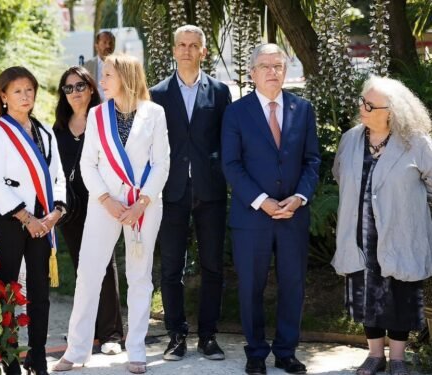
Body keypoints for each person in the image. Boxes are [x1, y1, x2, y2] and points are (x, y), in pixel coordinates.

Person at [52, 54, 170, 374]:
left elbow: (162, 162)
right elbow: (88, 163)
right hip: (104, 205)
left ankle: (136, 350)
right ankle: (76, 350)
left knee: (139, 277)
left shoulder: (155, 113)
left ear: (127, 77)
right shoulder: (98, 115)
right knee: (89, 274)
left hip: (143, 207)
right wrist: (106, 199)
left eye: (107, 75)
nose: (100, 82)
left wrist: (141, 203)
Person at [221, 43, 320, 375]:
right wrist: (262, 201)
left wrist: (300, 197)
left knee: (293, 284)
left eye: (278, 66)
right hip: (252, 217)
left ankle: (286, 351)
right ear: (252, 73)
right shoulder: (236, 112)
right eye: (265, 66)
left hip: (293, 215)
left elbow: (312, 161)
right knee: (251, 286)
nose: (273, 72)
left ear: (285, 70)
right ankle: (256, 353)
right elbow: (232, 165)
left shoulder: (302, 109)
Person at [332, 76, 432, 375]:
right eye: (363, 101)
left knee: (401, 292)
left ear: (392, 111)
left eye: (370, 105)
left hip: (401, 232)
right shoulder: (350, 138)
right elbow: (340, 174)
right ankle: (375, 354)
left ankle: (398, 358)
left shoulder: (416, 142)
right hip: (359, 233)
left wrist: (410, 209)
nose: (363, 108)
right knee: (365, 293)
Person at [149, 25, 231, 362]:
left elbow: (228, 141)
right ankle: (176, 335)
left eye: (193, 45)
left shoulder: (220, 92)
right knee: (171, 268)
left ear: (203, 52)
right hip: (171, 192)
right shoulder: (155, 94)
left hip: (210, 191)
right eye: (181, 44)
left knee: (213, 266)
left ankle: (208, 336)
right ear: (173, 49)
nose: (186, 50)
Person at [0, 66, 66, 375]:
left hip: (44, 221)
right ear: (3, 96)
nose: (25, 95)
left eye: (29, 89)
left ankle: (38, 356)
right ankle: (9, 356)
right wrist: (27, 218)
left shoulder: (44, 132)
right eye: (17, 91)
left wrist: (56, 212)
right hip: (9, 220)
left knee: (40, 292)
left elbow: (57, 176)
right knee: (7, 290)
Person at [53, 66, 124, 355]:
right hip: (71, 208)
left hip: (101, 201)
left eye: (80, 86)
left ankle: (112, 334)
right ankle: (87, 329)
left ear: (91, 88)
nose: (74, 92)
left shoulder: (105, 119)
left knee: (104, 265)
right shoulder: (57, 128)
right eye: (68, 88)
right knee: (83, 269)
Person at [83, 30, 116, 101]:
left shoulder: (121, 65)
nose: (108, 46)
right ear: (96, 46)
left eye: (111, 43)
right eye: (105, 42)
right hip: (94, 108)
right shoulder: (87, 66)